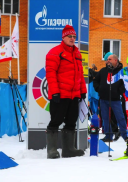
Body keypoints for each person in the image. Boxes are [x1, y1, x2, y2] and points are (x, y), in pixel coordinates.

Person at [45, 25, 86, 159]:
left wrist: (82, 91)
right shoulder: (55, 52)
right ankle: (51, 150)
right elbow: (50, 73)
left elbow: (80, 74)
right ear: (63, 37)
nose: (72, 39)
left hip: (74, 95)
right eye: (70, 36)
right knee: (56, 120)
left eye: (74, 37)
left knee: (71, 121)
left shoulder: (77, 53)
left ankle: (68, 149)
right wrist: (55, 92)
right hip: (60, 94)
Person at [93, 52, 127, 142]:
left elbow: (125, 84)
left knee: (120, 117)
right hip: (103, 99)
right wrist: (98, 88)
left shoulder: (121, 72)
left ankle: (125, 135)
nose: (107, 61)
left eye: (110, 59)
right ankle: (108, 136)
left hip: (115, 99)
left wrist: (119, 91)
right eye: (107, 60)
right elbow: (96, 80)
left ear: (116, 60)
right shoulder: (103, 71)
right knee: (105, 118)